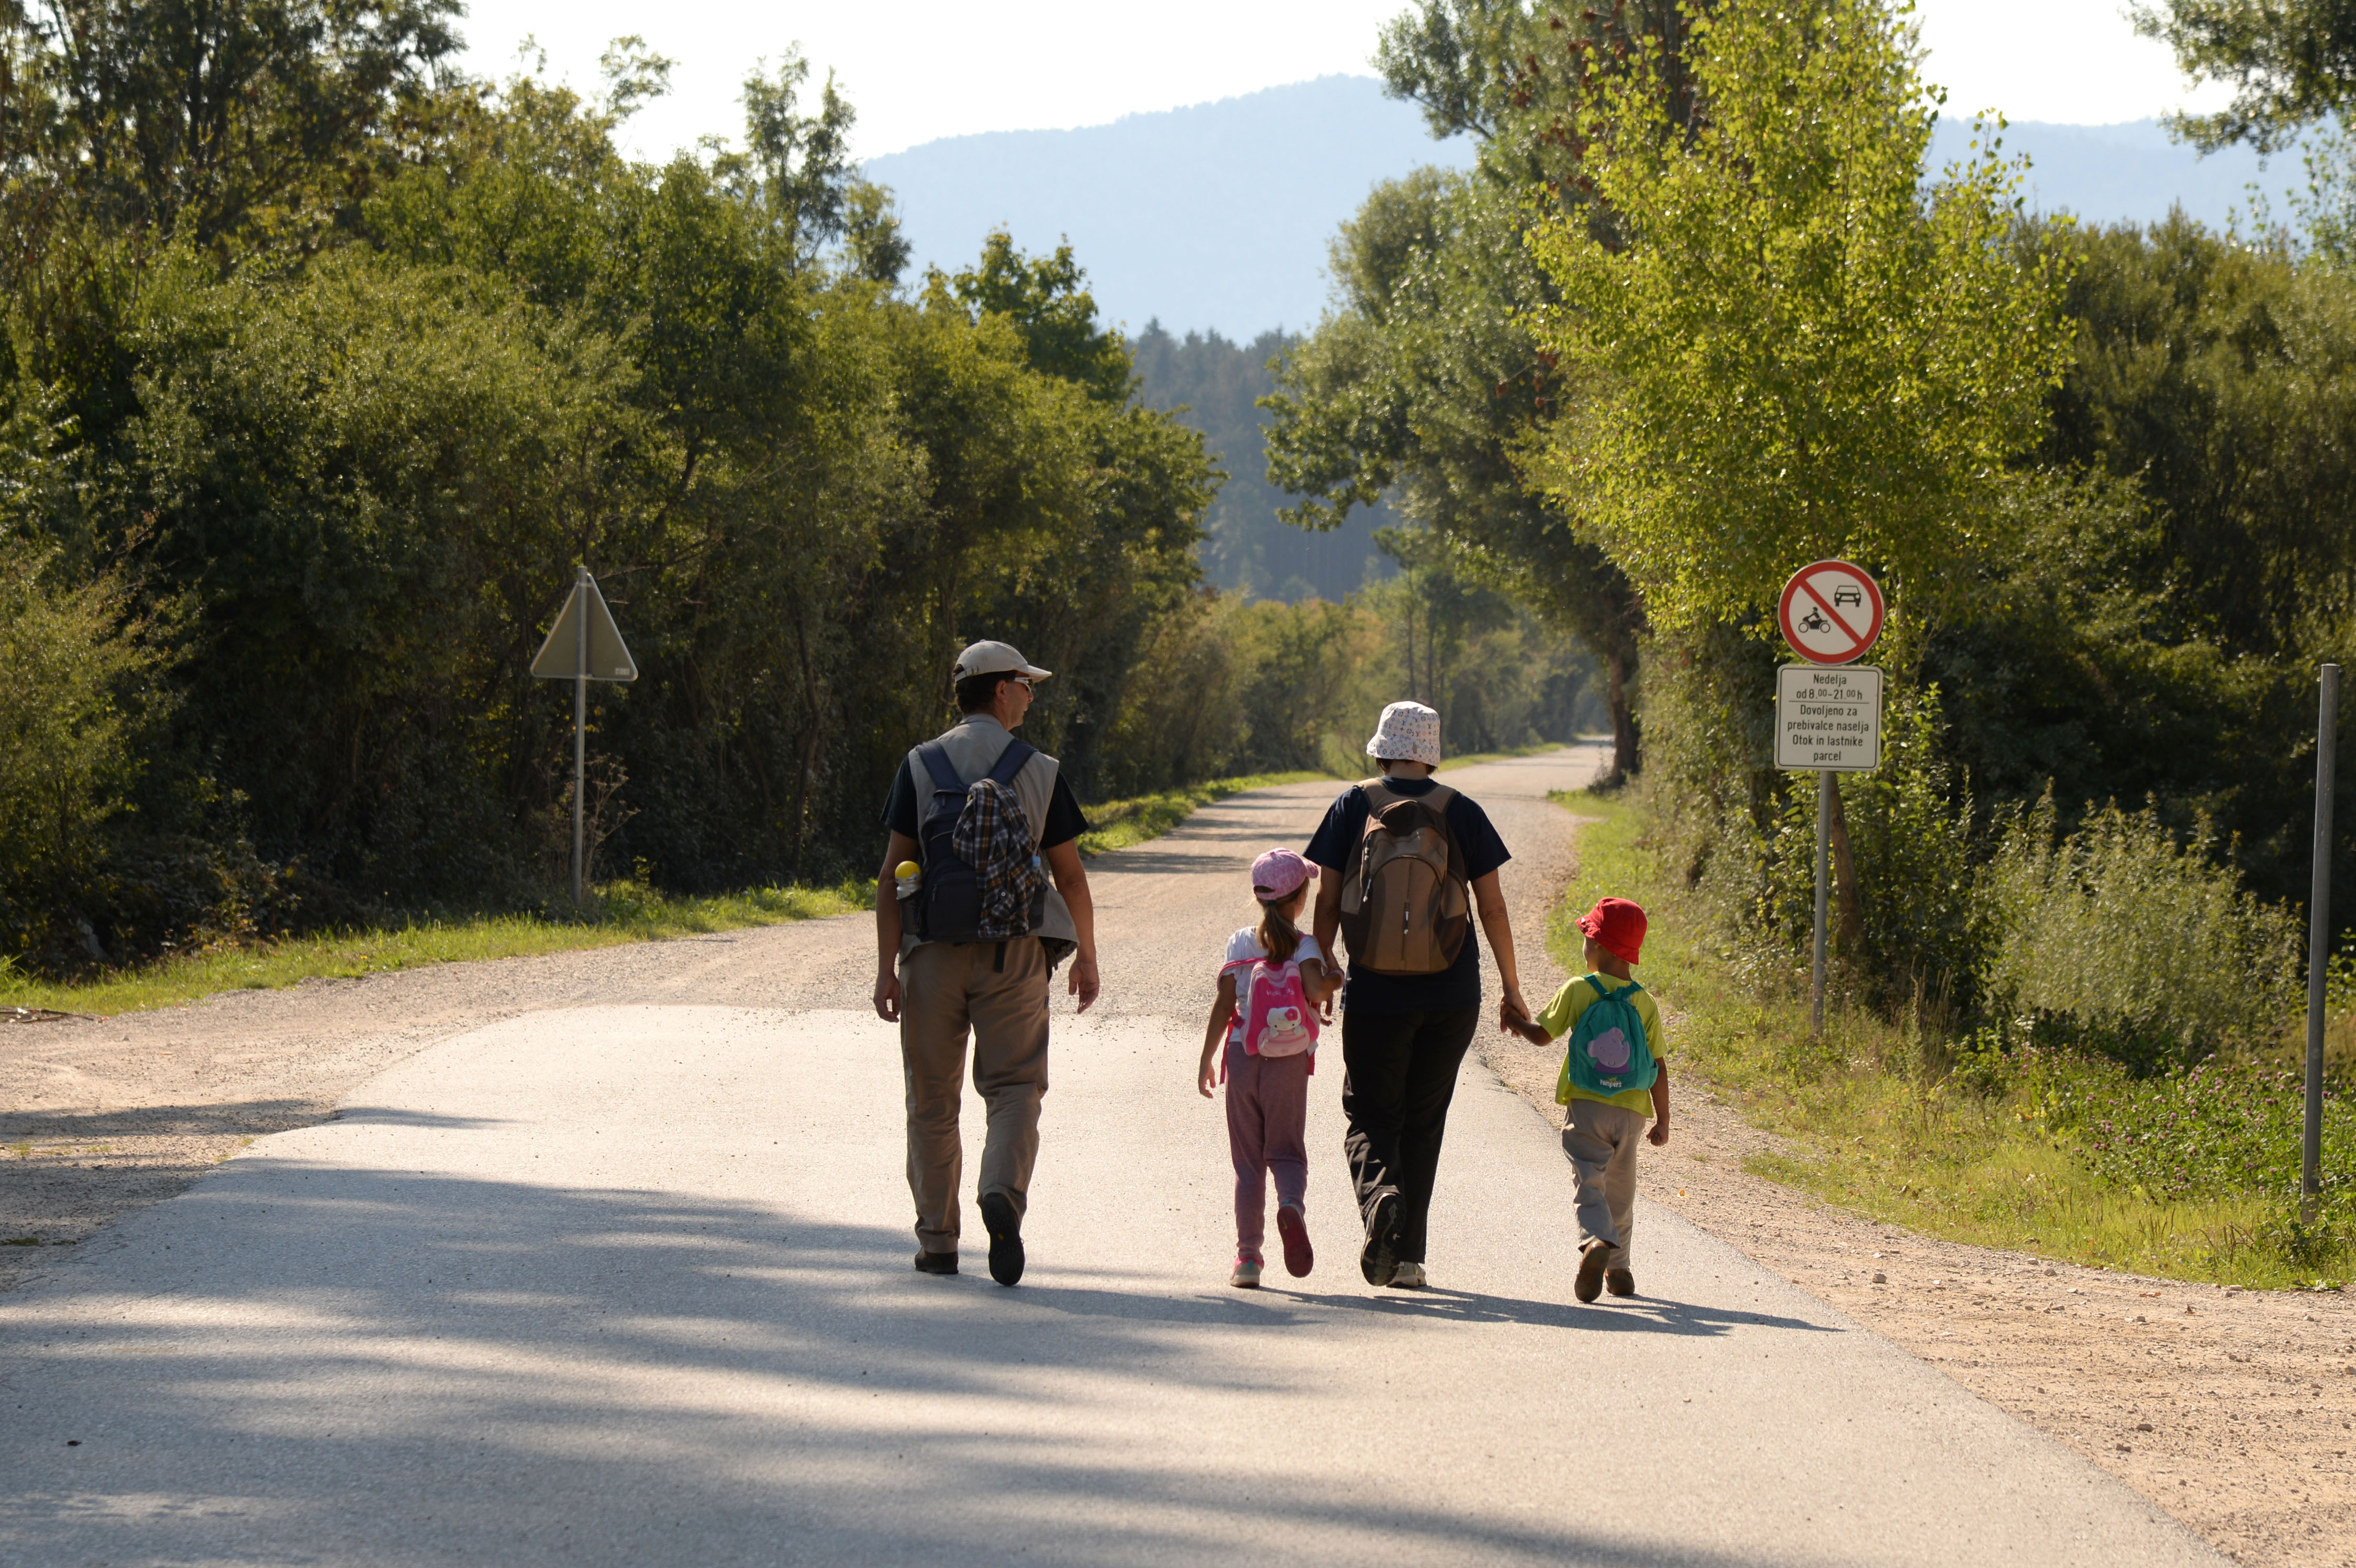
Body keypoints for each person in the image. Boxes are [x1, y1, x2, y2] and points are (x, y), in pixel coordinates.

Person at [873, 640, 1101, 1286]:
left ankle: (938, 1241)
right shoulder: (1041, 769)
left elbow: (890, 877)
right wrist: (1086, 954)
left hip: (931, 955)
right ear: (1000, 690)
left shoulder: (919, 764)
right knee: (1015, 1087)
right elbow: (1072, 878)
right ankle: (1001, 1191)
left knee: (932, 1101)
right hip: (1015, 952)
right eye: (1027, 684)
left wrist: (887, 968)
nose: (1031, 694)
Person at [1306, 700, 1529, 1290]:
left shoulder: (1353, 804)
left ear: (1381, 746)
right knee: (1424, 1120)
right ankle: (1408, 1260)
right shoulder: (1464, 812)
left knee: (1370, 1113)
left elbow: (1327, 902)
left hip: (1377, 988)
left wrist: (1324, 963)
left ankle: (1381, 1197)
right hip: (1453, 991)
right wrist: (1511, 988)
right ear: (1430, 752)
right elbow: (1494, 908)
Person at [1508, 896, 1671, 1303]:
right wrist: (1663, 1120)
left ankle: (1596, 1241)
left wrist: (1515, 1021)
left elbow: (1543, 1035)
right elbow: (1660, 1066)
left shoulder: (1580, 989)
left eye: (1587, 936)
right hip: (1633, 1111)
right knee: (1622, 1190)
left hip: (1587, 1105)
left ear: (1598, 945)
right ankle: (1620, 1270)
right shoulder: (1645, 1002)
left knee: (1589, 1182)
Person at [1196, 848, 1335, 1288]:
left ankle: (1248, 1260)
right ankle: (1291, 1204)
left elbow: (1223, 1005)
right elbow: (1315, 986)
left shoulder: (1239, 942)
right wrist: (1336, 977)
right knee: (1287, 1151)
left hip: (1242, 1055)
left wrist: (1206, 1058)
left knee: (1248, 1164)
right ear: (1301, 897)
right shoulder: (1305, 943)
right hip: (1289, 1063)